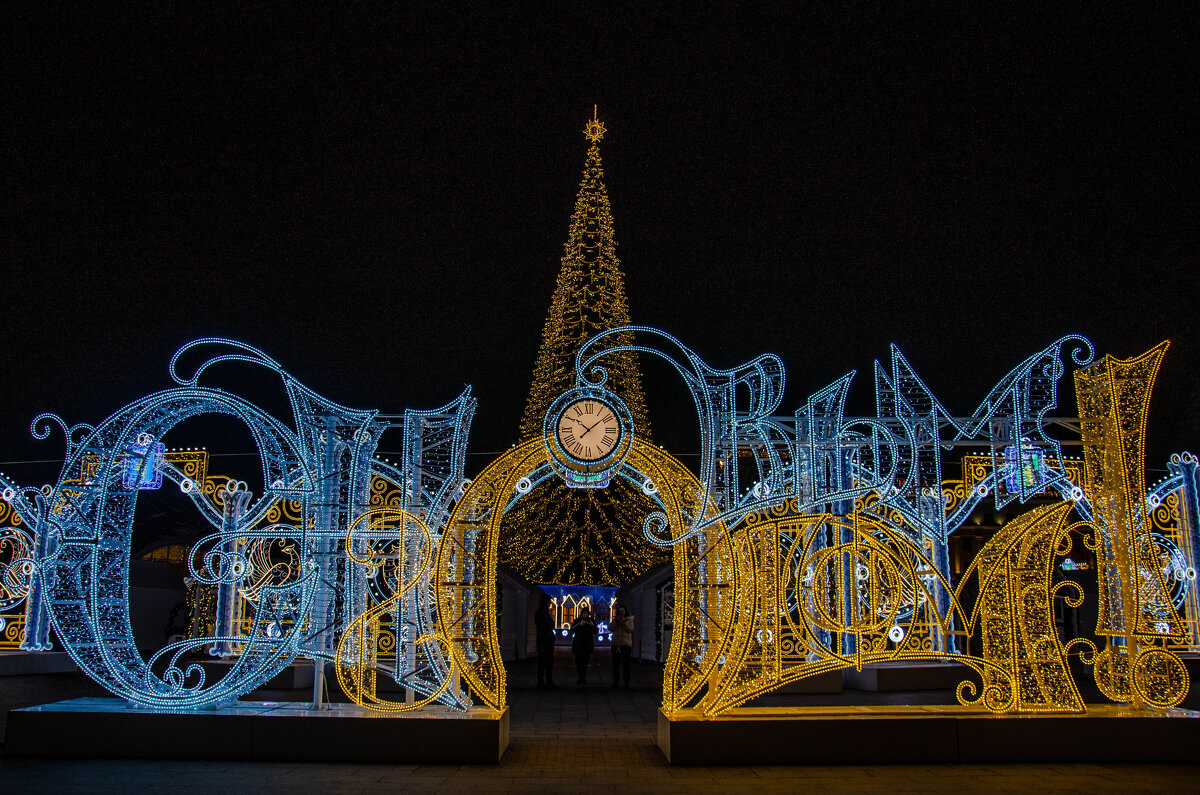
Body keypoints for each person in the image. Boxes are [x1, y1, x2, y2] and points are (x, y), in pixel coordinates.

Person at [534, 592, 557, 689]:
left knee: (546, 662)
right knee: (545, 662)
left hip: (545, 640)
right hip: (544, 641)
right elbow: (546, 626)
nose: (550, 604)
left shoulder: (543, 613)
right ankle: (544, 682)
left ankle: (546, 681)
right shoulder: (542, 613)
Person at [570, 606, 597, 685]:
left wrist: (593, 625)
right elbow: (572, 629)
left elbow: (596, 631)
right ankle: (580, 678)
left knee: (585, 663)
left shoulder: (591, 621)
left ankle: (583, 678)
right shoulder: (577, 621)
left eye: (586, 613)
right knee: (578, 663)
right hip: (579, 644)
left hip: (587, 645)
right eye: (584, 613)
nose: (585, 615)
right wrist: (579, 624)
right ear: (581, 613)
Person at [609, 604, 634, 688]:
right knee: (615, 664)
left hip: (625, 644)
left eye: (623, 611)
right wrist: (616, 622)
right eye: (620, 611)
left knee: (626, 664)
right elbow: (610, 628)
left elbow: (630, 629)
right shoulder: (615, 620)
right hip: (616, 644)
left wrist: (623, 623)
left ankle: (626, 681)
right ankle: (616, 681)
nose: (621, 613)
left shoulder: (629, 620)